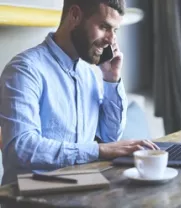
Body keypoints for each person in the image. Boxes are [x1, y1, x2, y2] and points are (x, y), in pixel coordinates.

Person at [0, 0, 158, 185]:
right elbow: (22, 148)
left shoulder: (89, 72)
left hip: (81, 185)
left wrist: (111, 78)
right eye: (104, 26)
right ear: (75, 16)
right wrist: (99, 151)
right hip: (30, 193)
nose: (111, 40)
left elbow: (110, 136)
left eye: (115, 30)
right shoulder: (24, 70)